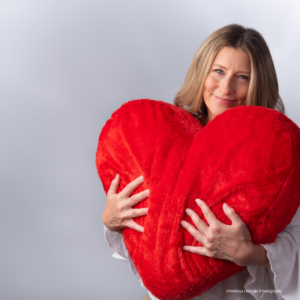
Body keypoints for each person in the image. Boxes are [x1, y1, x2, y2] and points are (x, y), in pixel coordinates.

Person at [102, 24, 300, 300]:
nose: (226, 87)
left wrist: (251, 254)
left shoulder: (277, 154)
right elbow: (148, 228)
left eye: (242, 77)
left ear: (258, 83)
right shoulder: (164, 138)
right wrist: (111, 220)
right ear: (202, 71)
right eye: (218, 71)